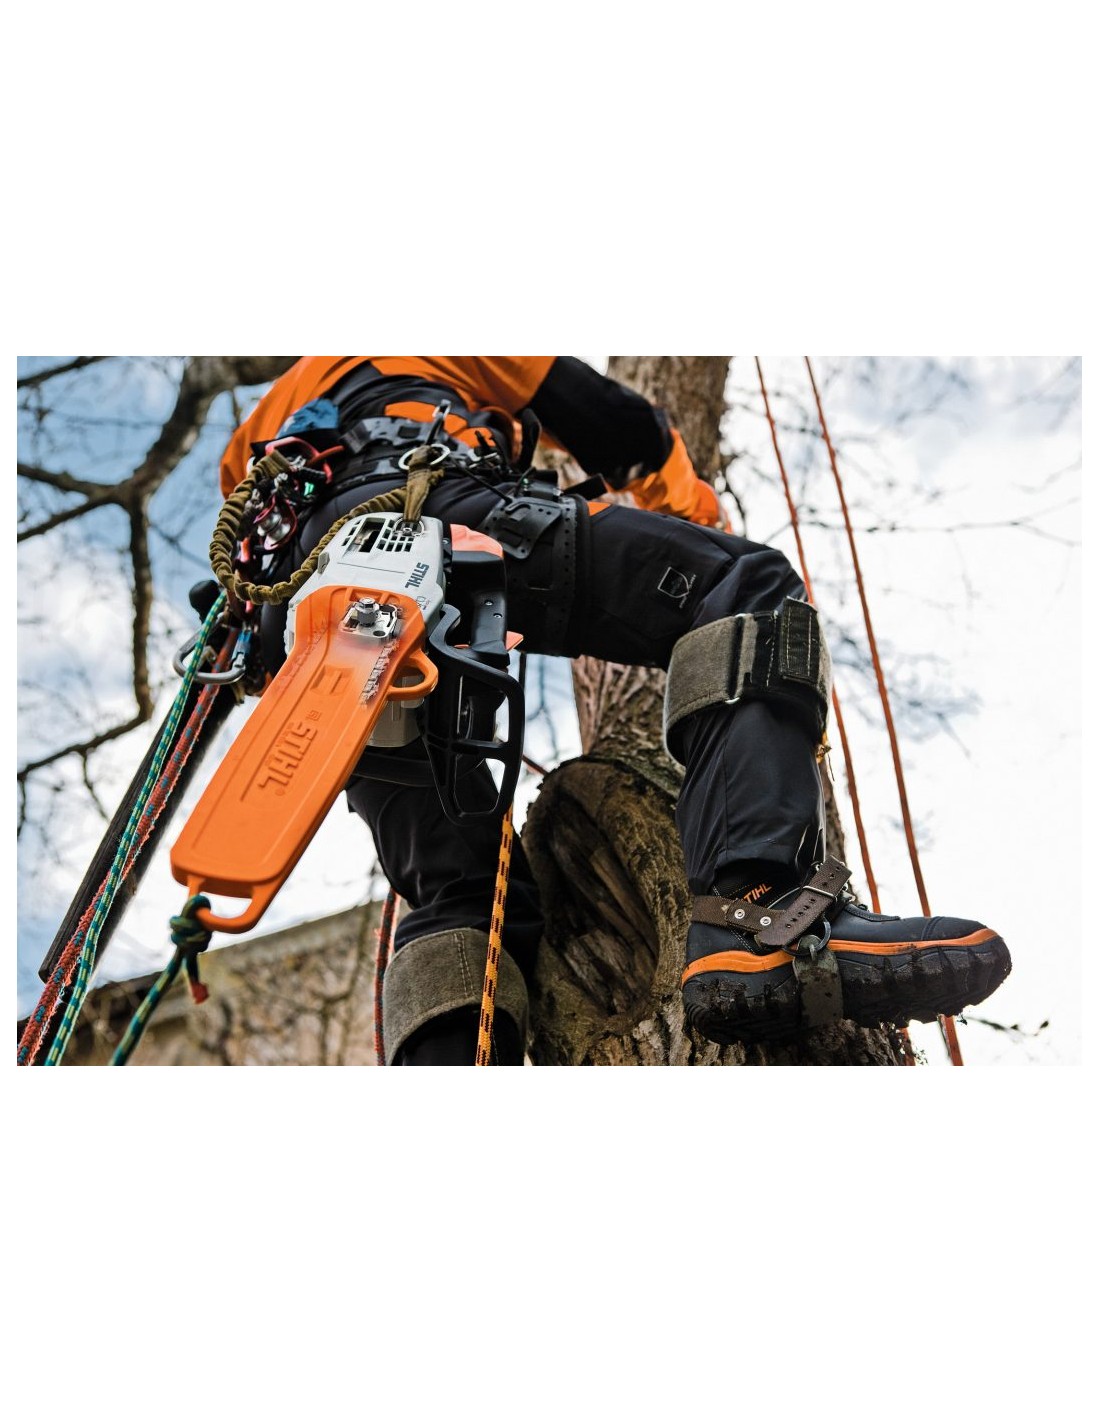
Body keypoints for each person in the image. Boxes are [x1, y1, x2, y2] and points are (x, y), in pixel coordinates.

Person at [218, 357, 1011, 1064]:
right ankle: (761, 912)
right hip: (434, 512)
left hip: (309, 623)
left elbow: (248, 547)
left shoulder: (254, 434)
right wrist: (691, 505)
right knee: (743, 588)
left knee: (457, 893)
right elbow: (610, 421)